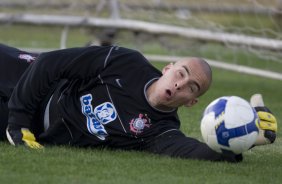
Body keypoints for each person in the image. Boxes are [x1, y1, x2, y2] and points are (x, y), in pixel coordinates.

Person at [0, 43, 277, 163]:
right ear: (167, 68)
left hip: (38, 125)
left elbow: (199, 153)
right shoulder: (125, 62)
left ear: (191, 102)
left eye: (190, 87)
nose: (180, 84)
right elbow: (50, 63)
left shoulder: (160, 131)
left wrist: (246, 135)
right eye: (180, 74)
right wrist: (18, 121)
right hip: (30, 77)